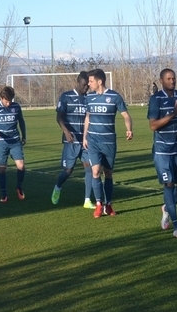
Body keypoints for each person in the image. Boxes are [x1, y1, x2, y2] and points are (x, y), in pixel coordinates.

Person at [148, 69, 177, 239]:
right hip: (162, 150)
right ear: (161, 81)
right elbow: (153, 125)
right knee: (169, 184)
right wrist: (172, 114)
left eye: (173, 78)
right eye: (168, 79)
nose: (172, 81)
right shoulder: (156, 99)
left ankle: (167, 207)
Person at [83, 68, 133, 218]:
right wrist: (84, 137)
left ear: (100, 81)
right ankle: (99, 204)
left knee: (108, 173)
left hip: (109, 141)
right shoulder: (89, 97)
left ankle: (108, 204)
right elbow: (88, 117)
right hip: (93, 140)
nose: (89, 84)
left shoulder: (114, 96)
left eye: (91, 81)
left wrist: (129, 129)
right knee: (95, 171)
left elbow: (126, 115)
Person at [51, 71, 94, 208]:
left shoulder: (89, 98)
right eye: (84, 85)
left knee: (89, 167)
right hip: (71, 140)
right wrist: (66, 131)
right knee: (68, 170)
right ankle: (58, 187)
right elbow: (59, 117)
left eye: (88, 86)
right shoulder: (66, 96)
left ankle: (87, 200)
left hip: (85, 140)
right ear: (78, 82)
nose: (86, 88)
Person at [0, 86, 27, 202]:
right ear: (1, 97)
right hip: (1, 143)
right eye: (6, 101)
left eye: (10, 101)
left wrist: (24, 136)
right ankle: (4, 193)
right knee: (2, 169)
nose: (8, 103)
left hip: (15, 141)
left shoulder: (16, 107)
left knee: (21, 166)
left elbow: (21, 121)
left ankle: (19, 187)